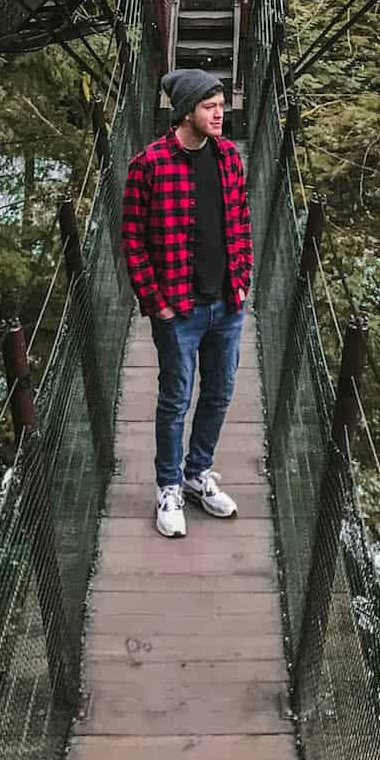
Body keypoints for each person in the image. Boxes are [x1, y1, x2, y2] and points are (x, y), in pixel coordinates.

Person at [121, 67, 254, 538]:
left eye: (221, 107)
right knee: (175, 399)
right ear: (185, 113)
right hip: (177, 309)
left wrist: (242, 280)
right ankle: (168, 486)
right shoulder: (149, 165)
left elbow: (241, 220)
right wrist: (154, 301)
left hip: (227, 305)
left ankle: (198, 474)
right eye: (209, 107)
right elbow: (133, 240)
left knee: (219, 393)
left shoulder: (229, 159)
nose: (220, 114)